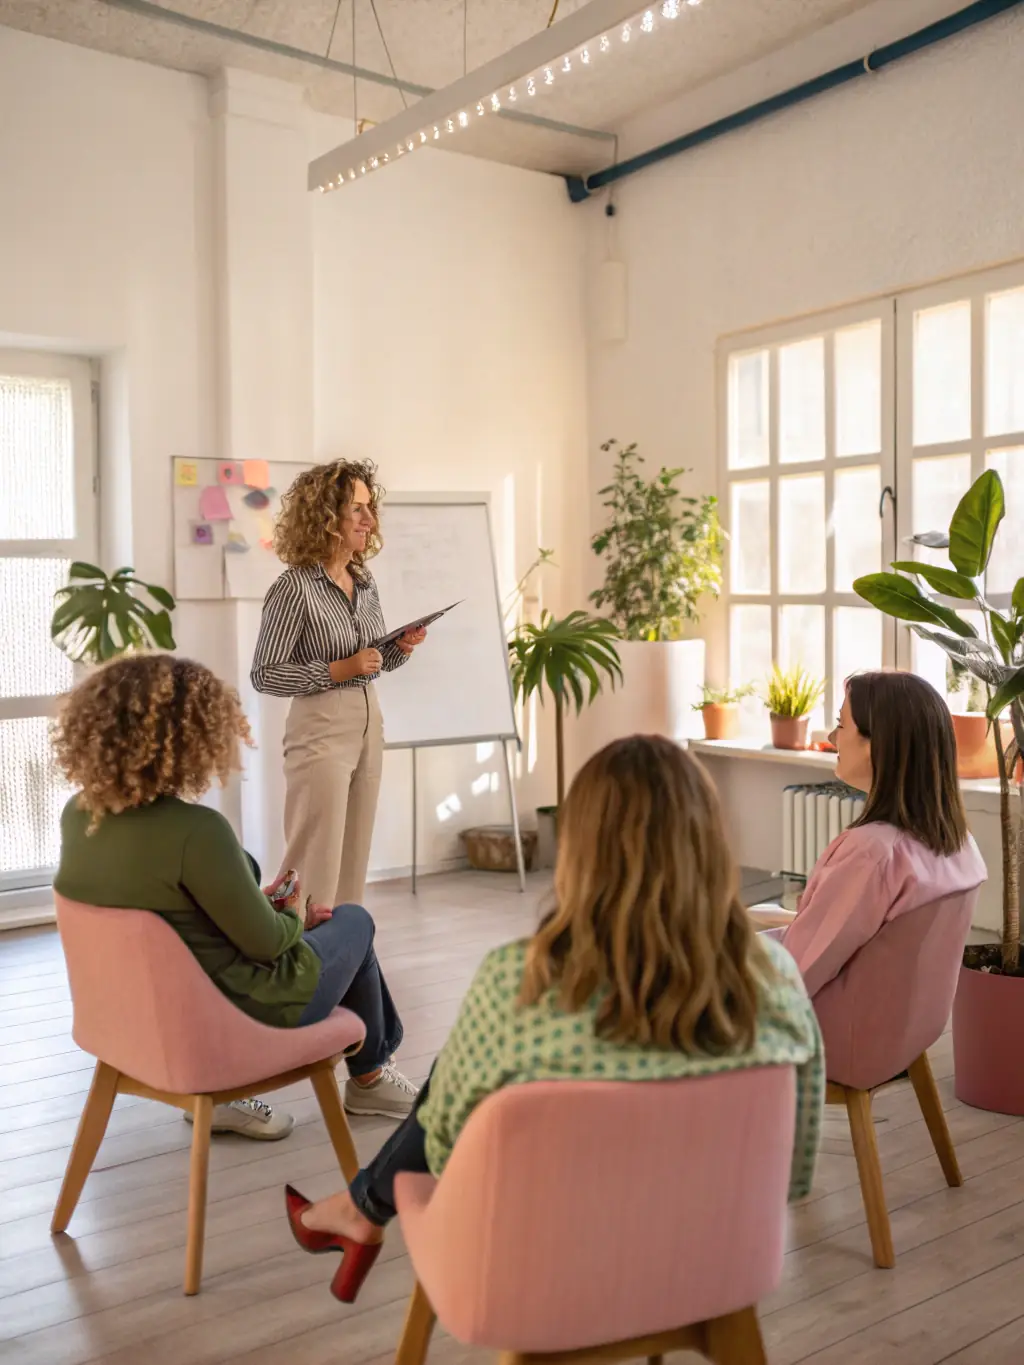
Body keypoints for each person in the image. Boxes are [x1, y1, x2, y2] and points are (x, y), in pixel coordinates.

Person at [283, 735, 825, 1303]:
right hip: (721, 1268)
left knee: (466, 1072)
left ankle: (360, 1208)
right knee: (474, 1067)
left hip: (546, 1275)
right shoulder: (778, 980)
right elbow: (796, 1170)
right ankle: (357, 1207)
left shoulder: (521, 982)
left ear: (581, 850)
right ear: (711, 844)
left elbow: (442, 1152)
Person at [52, 654, 418, 1135]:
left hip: (141, 1015)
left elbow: (171, 917)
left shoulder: (80, 815)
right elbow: (266, 945)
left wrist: (252, 903)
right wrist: (291, 915)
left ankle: (335, 1080)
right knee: (353, 922)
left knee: (326, 926)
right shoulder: (197, 832)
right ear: (189, 739)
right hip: (239, 1013)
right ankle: (369, 1077)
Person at [251, 460, 426, 911]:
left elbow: (372, 661)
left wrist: (399, 649)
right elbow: (266, 673)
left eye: (370, 509)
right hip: (320, 726)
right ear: (326, 516)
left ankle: (345, 957)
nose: (370, 520)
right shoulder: (294, 588)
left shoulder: (364, 582)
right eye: (357, 509)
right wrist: (335, 670)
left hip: (368, 722)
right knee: (313, 856)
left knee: (353, 855)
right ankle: (299, 958)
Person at [778, 671, 987, 996]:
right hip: (896, 1035)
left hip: (827, 1034)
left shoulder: (871, 853)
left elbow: (796, 975)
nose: (833, 737)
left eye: (841, 724)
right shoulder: (960, 845)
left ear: (877, 743)